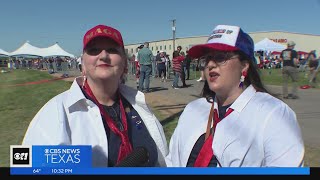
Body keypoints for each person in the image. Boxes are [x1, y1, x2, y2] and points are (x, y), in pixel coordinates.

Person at [22, 24, 168, 167]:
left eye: (112, 50)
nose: (104, 56)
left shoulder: (139, 104)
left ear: (124, 63)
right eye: (94, 50)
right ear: (83, 65)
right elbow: (27, 165)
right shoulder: (55, 112)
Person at [165, 25, 304, 167]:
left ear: (244, 66)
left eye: (220, 57)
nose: (210, 64)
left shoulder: (274, 114)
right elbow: (171, 162)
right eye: (206, 59)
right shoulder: (192, 109)